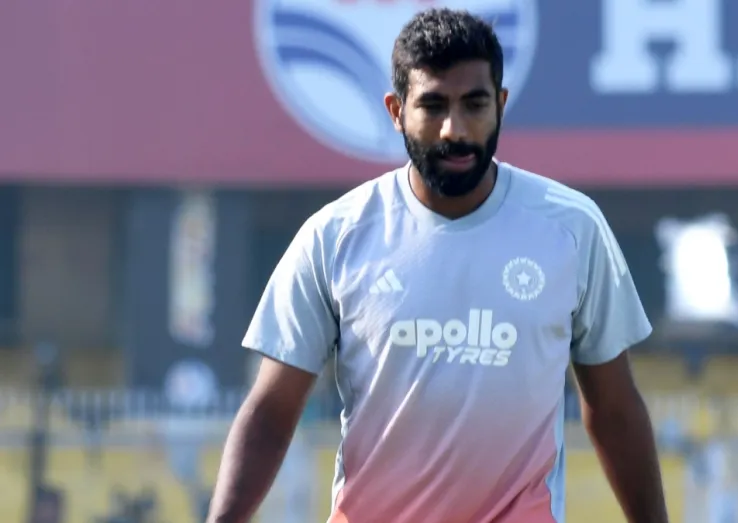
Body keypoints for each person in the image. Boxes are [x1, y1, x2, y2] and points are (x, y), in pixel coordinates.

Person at [207, 8, 668, 523]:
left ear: (501, 105)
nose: (455, 129)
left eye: (475, 104)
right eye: (432, 105)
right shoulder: (335, 236)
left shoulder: (572, 229)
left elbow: (614, 408)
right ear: (396, 111)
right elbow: (271, 411)